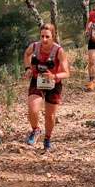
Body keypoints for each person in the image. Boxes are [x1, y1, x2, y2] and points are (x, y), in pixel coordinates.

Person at [22, 23, 70, 151]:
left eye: (47, 37)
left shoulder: (59, 51)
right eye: (42, 36)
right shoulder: (34, 46)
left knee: (50, 116)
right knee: (32, 109)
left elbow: (66, 73)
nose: (44, 39)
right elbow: (26, 54)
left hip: (54, 84)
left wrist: (54, 76)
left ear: (53, 36)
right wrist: (28, 68)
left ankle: (47, 139)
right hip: (37, 80)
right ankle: (35, 130)